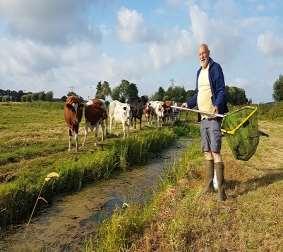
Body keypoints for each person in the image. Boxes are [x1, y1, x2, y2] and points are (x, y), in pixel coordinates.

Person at [187, 44, 228, 201]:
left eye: (204, 53)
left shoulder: (215, 68)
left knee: (216, 151)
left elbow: (221, 90)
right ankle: (210, 184)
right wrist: (188, 103)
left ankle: (221, 191)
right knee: (207, 152)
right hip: (203, 118)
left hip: (213, 117)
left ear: (209, 53)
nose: (202, 56)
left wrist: (217, 104)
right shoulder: (199, 72)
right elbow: (198, 94)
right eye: (199, 54)